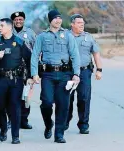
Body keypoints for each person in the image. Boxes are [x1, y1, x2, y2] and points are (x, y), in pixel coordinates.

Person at [31, 10, 80, 143]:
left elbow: (75, 55)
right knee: (46, 102)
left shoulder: (68, 35)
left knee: (63, 104)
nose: (58, 20)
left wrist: (76, 74)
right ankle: (48, 124)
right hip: (48, 74)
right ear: (50, 20)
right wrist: (34, 73)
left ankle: (59, 134)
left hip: (65, 74)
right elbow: (35, 55)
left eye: (59, 18)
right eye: (55, 18)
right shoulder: (42, 36)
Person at [0, 18, 32, 144]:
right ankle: (3, 129)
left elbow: (29, 59)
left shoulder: (19, 42)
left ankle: (15, 135)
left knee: (15, 106)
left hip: (15, 80)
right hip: (1, 79)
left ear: (9, 27)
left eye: (1, 25)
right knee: (0, 106)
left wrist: (29, 77)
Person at [66, 14, 102, 134]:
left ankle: (83, 124)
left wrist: (99, 69)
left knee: (84, 98)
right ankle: (65, 121)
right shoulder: (65, 36)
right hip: (68, 72)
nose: (82, 25)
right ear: (72, 24)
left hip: (84, 71)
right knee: (66, 98)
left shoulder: (89, 37)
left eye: (83, 23)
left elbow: (96, 53)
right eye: (79, 23)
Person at [5, 11, 36, 130]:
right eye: (16, 20)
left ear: (24, 20)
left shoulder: (30, 33)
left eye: (20, 19)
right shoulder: (8, 32)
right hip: (12, 68)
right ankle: (11, 120)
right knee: (11, 96)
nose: (18, 21)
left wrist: (34, 71)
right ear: (13, 21)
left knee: (26, 96)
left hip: (26, 68)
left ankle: (24, 120)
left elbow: (36, 50)